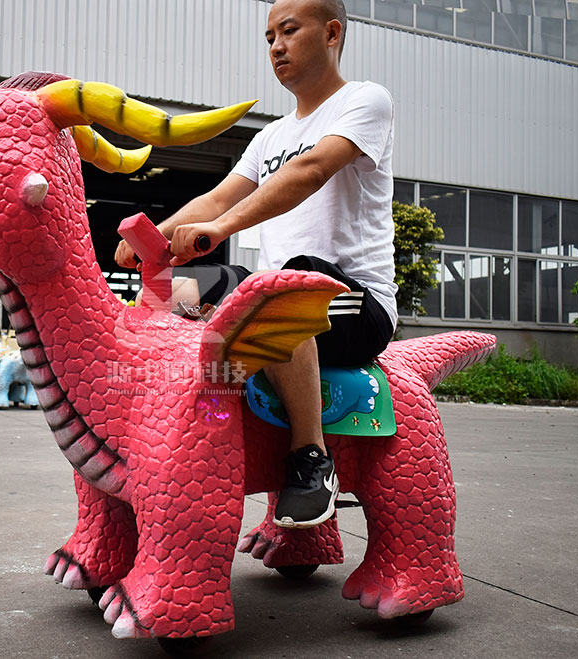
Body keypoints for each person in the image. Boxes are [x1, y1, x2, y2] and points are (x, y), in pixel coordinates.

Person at [115, 0, 396, 528]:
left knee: (286, 279)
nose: (276, 46)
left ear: (332, 32)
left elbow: (310, 170)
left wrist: (220, 231)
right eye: (268, 37)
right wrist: (157, 235)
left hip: (356, 301)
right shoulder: (269, 137)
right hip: (272, 291)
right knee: (181, 293)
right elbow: (219, 198)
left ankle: (311, 456)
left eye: (289, 31)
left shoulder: (366, 101)